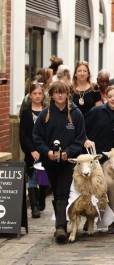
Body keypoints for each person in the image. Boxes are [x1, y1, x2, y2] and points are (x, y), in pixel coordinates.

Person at [33, 81, 86, 243]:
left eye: (62, 92)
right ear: (52, 95)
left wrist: (68, 152)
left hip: (68, 161)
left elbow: (80, 137)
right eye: (56, 92)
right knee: (56, 190)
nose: (60, 95)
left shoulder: (76, 114)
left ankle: (60, 227)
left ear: (67, 94)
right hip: (50, 162)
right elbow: (37, 137)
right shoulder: (45, 114)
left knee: (63, 190)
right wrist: (46, 151)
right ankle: (61, 222)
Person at [84, 85, 114, 232]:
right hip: (93, 157)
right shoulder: (96, 111)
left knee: (110, 182)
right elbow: (82, 128)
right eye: (110, 96)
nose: (113, 99)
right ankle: (90, 215)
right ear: (106, 97)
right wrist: (85, 140)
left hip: (110, 159)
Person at [20, 82, 49, 218]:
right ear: (30, 95)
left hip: (45, 150)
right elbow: (23, 134)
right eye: (34, 94)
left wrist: (46, 149)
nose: (37, 96)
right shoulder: (26, 113)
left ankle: (41, 199)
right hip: (32, 151)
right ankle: (34, 208)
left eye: (39, 93)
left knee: (44, 178)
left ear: (43, 95)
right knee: (32, 178)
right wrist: (31, 150)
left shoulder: (48, 110)